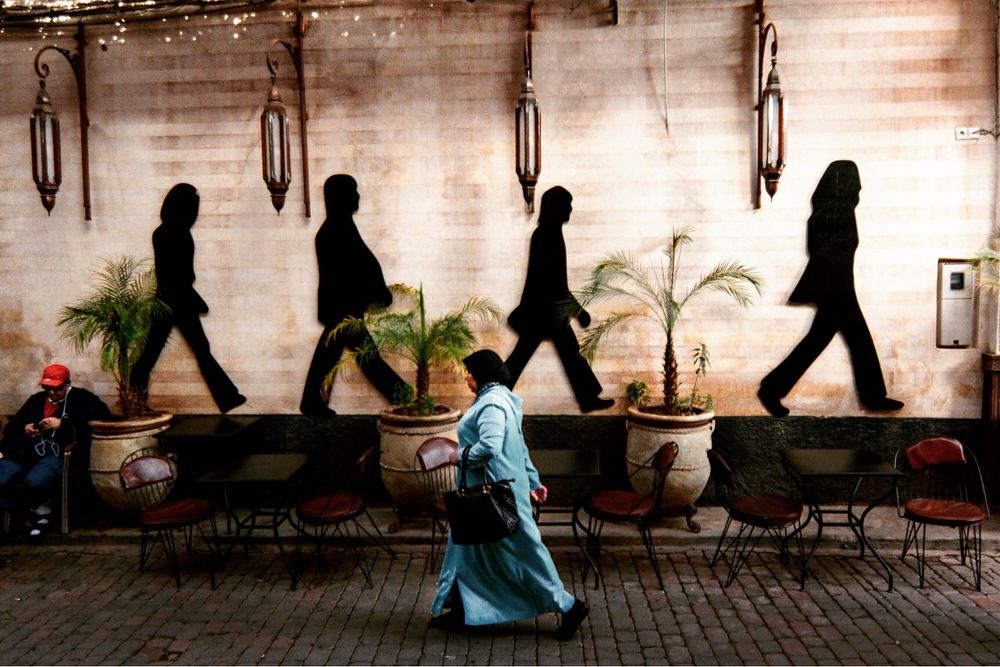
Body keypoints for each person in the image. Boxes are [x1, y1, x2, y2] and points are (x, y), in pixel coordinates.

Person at [429, 349, 589, 641]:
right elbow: (520, 447)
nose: (466, 377)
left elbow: (490, 447)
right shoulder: (502, 398)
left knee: (526, 554)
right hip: (490, 494)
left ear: (482, 375)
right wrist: (532, 481)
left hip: (494, 497)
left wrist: (458, 456)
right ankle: (462, 610)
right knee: (464, 550)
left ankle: (569, 607)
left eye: (470, 372)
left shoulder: (491, 404)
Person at [758, 160, 904, 417]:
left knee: (829, 340)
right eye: (854, 181)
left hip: (840, 287)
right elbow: (825, 253)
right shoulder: (831, 214)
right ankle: (773, 388)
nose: (858, 187)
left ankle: (773, 387)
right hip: (836, 288)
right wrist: (837, 289)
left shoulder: (835, 211)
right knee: (849, 340)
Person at [129, 183, 246, 413]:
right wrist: (193, 299)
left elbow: (172, 274)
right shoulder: (178, 234)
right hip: (177, 299)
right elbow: (178, 274)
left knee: (153, 352)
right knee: (194, 348)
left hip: (169, 299)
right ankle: (227, 397)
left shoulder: (163, 232)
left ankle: (137, 402)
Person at [299, 174, 407, 416]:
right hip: (343, 308)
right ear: (340, 196)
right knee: (366, 359)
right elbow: (356, 268)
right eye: (353, 190)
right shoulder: (336, 230)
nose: (358, 196)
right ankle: (406, 396)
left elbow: (362, 265)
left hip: (344, 308)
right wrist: (377, 292)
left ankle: (404, 395)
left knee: (357, 358)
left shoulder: (339, 227)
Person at [505, 186, 614, 413]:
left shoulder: (548, 233)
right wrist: (579, 312)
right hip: (543, 312)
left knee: (535, 356)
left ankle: (587, 398)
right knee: (526, 357)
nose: (571, 209)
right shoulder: (547, 235)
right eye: (568, 204)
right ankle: (588, 398)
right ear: (557, 207)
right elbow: (556, 284)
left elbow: (556, 283)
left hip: (545, 311)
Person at [0, 364, 110, 536]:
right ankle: (28, 512)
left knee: (35, 480)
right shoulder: (36, 400)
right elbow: (12, 428)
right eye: (47, 387)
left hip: (58, 454)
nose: (51, 392)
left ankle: (39, 513)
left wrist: (63, 424)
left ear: (67, 384)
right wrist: (26, 428)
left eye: (57, 388)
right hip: (26, 454)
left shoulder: (81, 398)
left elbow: (103, 416)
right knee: (3, 476)